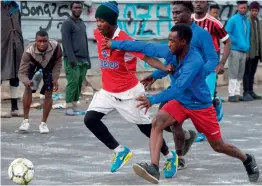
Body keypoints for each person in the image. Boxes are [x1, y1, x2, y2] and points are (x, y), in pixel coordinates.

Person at [131, 23, 259, 184]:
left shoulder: (194, 60)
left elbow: (177, 88)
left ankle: (247, 159)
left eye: (172, 40)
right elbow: (166, 65)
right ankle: (154, 168)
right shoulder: (174, 52)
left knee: (218, 146)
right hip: (182, 102)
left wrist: (152, 99)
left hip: (201, 106)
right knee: (157, 122)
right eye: (168, 40)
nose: (168, 43)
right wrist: (115, 44)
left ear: (183, 42)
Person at [103, 1, 218, 170]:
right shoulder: (175, 35)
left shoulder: (201, 35)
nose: (174, 16)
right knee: (169, 122)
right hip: (177, 90)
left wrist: (199, 74)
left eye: (178, 12)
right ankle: (180, 151)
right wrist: (156, 75)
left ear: (189, 13)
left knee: (213, 141)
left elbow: (212, 59)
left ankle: (179, 154)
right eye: (173, 13)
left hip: (194, 92)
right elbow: (164, 58)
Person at [84, 1, 178, 178]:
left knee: (147, 129)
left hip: (129, 93)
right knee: (90, 119)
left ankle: (170, 156)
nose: (98, 24)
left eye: (102, 20)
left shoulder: (125, 40)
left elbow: (147, 57)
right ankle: (119, 151)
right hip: (107, 92)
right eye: (97, 20)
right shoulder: (98, 34)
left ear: (111, 22)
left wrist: (165, 68)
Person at [192, 0, 231, 142]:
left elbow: (227, 41)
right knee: (194, 97)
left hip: (209, 64)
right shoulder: (188, 20)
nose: (198, 4)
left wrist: (221, 62)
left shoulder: (214, 22)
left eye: (201, 2)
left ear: (207, 4)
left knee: (203, 98)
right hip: (192, 65)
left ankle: (202, 131)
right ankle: (217, 102)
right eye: (196, 1)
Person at [18, 31, 62, 134]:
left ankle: (43, 123)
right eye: (39, 41)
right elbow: (21, 73)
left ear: (48, 40)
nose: (42, 44)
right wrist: (27, 82)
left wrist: (55, 78)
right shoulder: (29, 51)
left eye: (44, 41)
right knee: (28, 88)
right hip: (33, 65)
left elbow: (58, 61)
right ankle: (25, 121)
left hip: (49, 65)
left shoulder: (56, 46)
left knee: (49, 91)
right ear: (35, 41)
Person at [61, 1, 91, 116]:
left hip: (83, 59)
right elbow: (66, 42)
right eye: (75, 7)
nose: (78, 9)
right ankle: (68, 107)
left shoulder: (81, 23)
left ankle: (74, 106)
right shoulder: (67, 23)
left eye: (79, 7)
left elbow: (85, 42)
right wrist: (72, 59)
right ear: (71, 9)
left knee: (79, 84)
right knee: (73, 82)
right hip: (72, 59)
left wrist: (88, 59)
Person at [1, 0, 24, 118]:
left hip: (16, 44)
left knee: (15, 75)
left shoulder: (15, 8)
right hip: (2, 46)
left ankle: (14, 108)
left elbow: (19, 26)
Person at [225, 0, 250, 102]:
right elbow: (226, 33)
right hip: (235, 49)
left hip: (244, 50)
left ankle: (237, 93)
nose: (243, 9)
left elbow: (247, 35)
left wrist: (247, 46)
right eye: (241, 7)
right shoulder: (233, 20)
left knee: (240, 73)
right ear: (238, 8)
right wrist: (235, 42)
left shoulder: (246, 21)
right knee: (233, 72)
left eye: (245, 7)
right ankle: (232, 94)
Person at [242, 1, 262, 100]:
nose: (254, 12)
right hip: (249, 52)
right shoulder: (247, 21)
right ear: (250, 11)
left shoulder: (258, 22)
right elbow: (245, 37)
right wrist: (246, 52)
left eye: (256, 11)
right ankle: (246, 92)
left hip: (256, 52)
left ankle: (251, 91)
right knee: (247, 72)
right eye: (253, 10)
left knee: (252, 72)